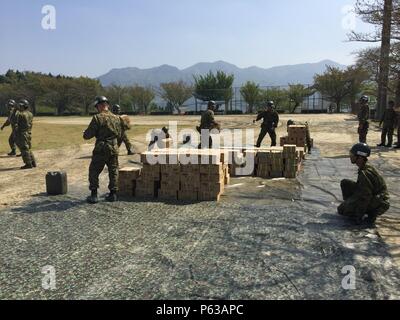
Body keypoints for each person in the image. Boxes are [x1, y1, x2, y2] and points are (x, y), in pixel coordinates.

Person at [337, 143, 390, 226]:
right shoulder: (364, 167)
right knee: (345, 183)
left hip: (380, 202)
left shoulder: (365, 173)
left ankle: (372, 213)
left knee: (343, 210)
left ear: (360, 157)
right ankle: (353, 206)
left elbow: (365, 196)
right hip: (376, 197)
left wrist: (358, 216)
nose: (350, 156)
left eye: (352, 155)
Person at [83, 96, 123, 204]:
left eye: (97, 106)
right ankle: (113, 194)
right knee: (113, 170)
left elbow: (87, 135)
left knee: (94, 170)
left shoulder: (97, 118)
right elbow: (120, 135)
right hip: (113, 148)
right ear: (108, 105)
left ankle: (94, 195)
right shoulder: (117, 118)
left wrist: (85, 133)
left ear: (99, 106)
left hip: (101, 148)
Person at [14, 99, 36, 169]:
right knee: (28, 148)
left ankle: (28, 164)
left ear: (23, 106)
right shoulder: (30, 114)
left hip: (22, 133)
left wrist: (15, 110)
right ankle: (33, 162)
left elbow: (13, 120)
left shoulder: (21, 114)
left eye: (20, 106)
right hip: (28, 132)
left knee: (24, 148)